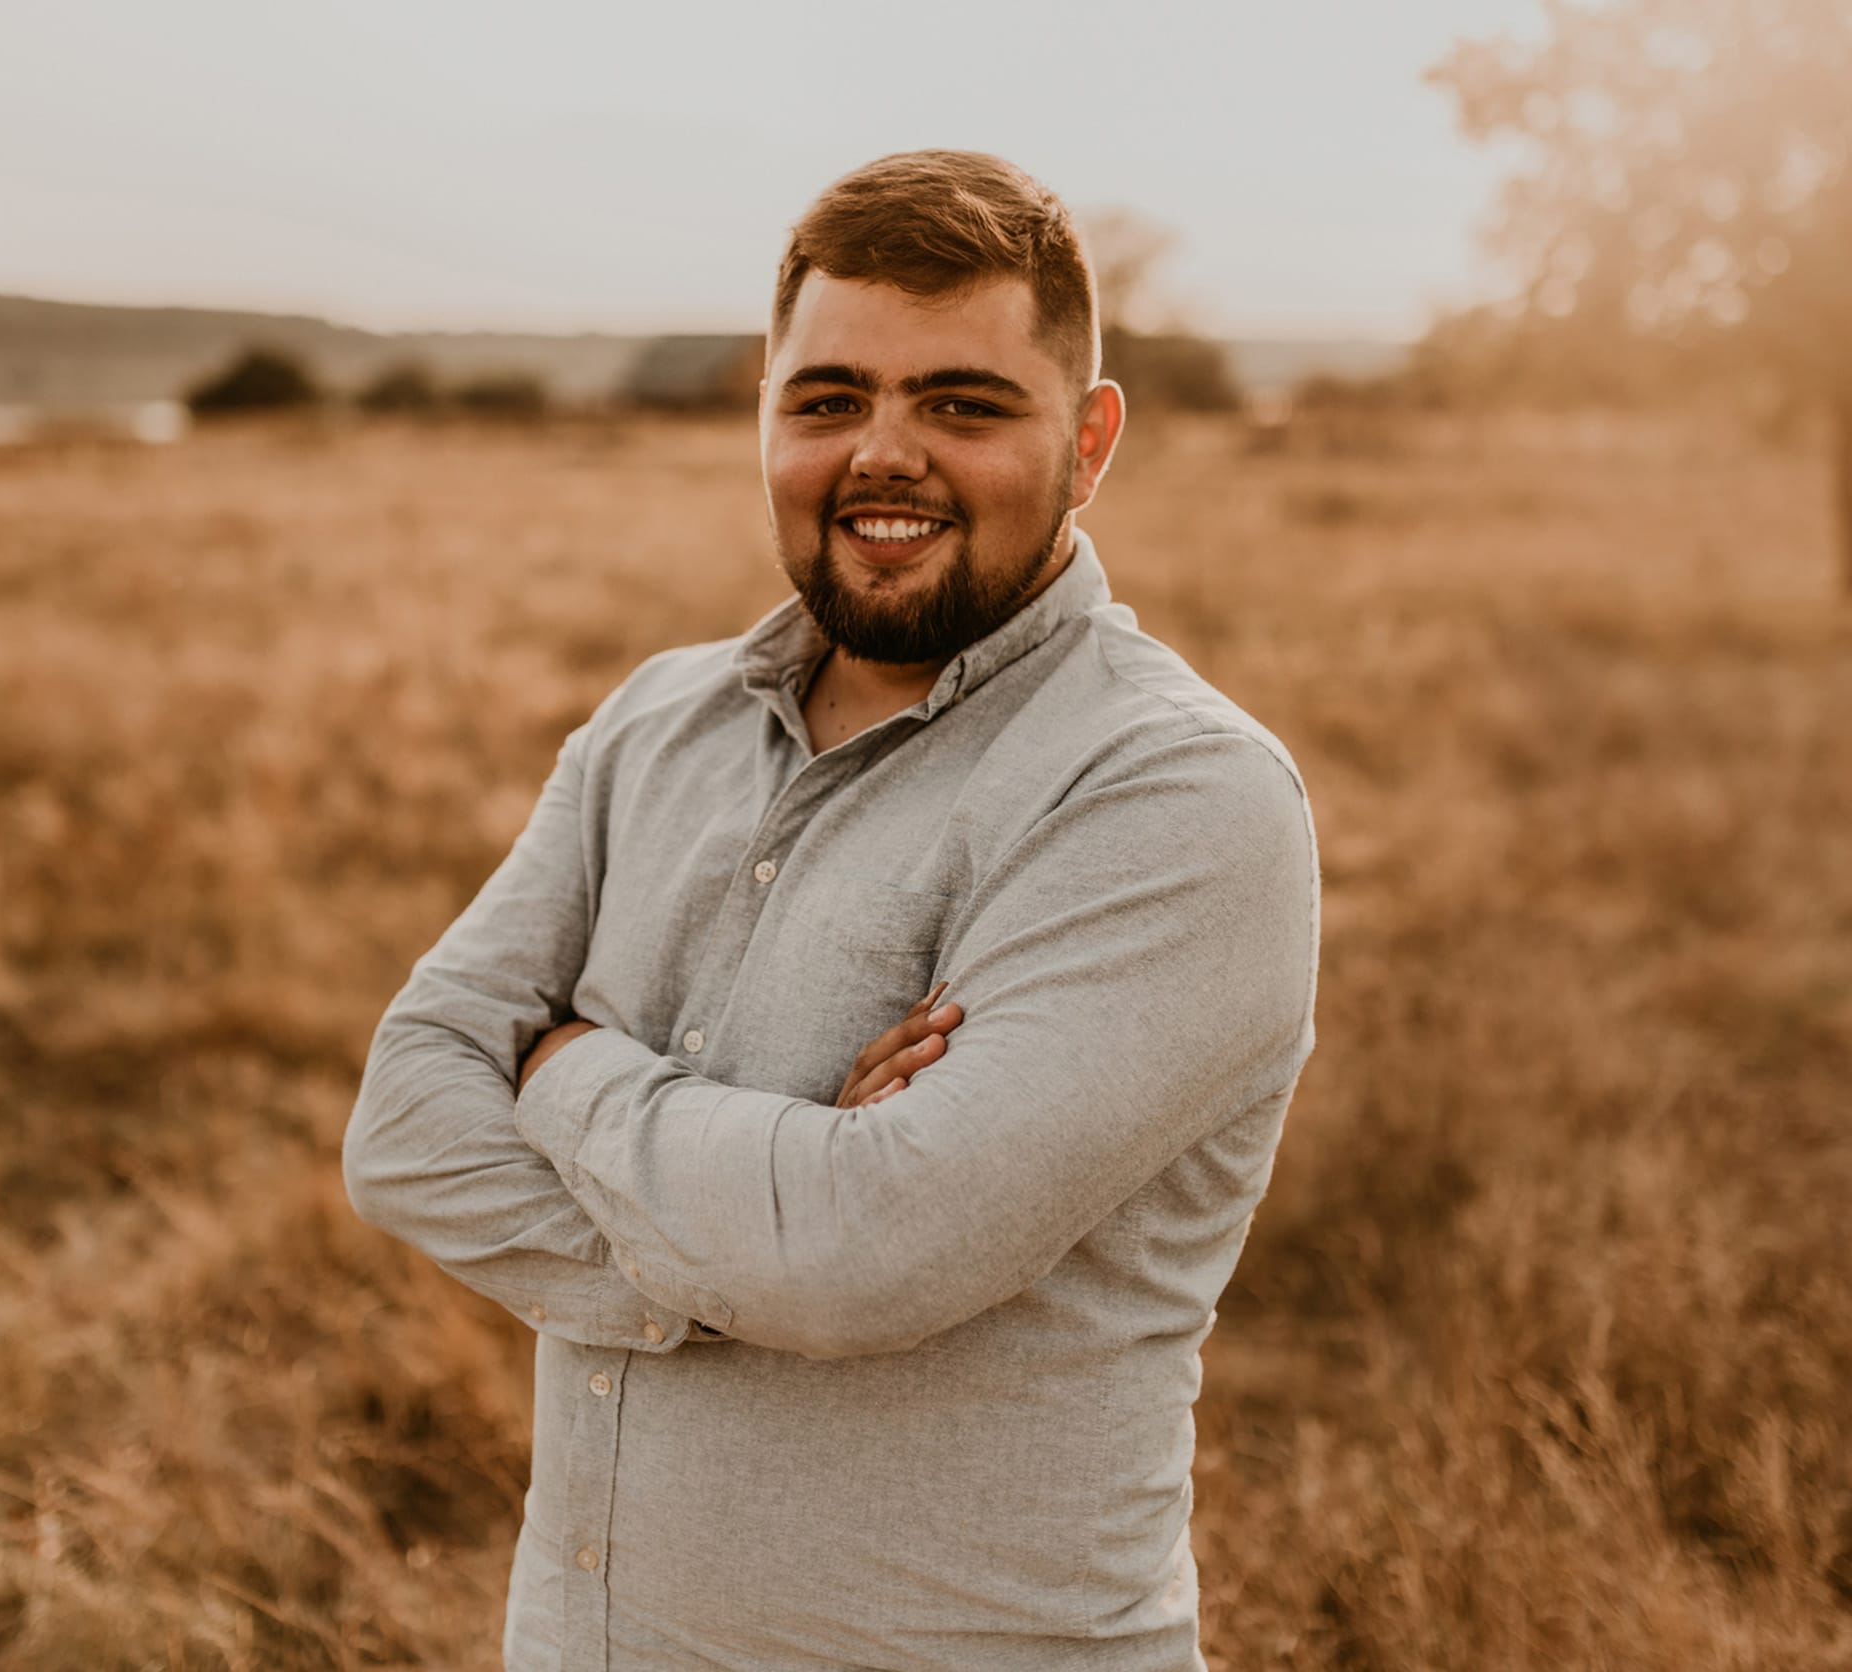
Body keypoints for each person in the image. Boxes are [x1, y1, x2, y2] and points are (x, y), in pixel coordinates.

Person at [343, 148, 1320, 1672]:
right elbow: (403, 1127)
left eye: (963, 404)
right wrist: (753, 1239)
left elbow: (865, 1254)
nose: (883, 455)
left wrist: (563, 1073)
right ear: (766, 416)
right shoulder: (651, 729)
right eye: (828, 400)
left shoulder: (1178, 795)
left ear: (1089, 441)